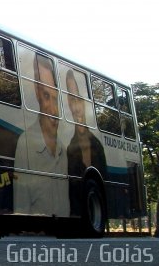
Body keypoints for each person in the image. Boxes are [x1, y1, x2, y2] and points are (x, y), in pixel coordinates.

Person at [14, 54, 70, 216]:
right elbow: (20, 208)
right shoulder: (25, 144)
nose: (53, 110)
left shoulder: (63, 151)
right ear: (37, 93)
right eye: (46, 96)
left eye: (55, 98)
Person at [66, 69, 106, 216]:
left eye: (78, 99)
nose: (76, 108)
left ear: (85, 102)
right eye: (71, 100)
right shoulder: (69, 148)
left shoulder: (98, 146)